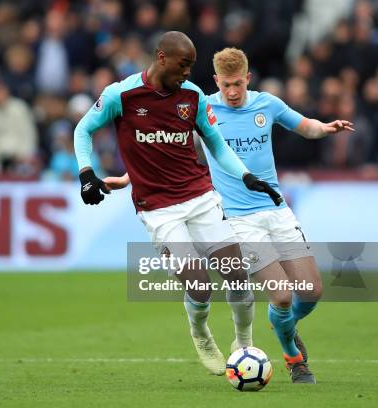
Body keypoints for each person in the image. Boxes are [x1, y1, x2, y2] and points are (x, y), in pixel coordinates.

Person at [105, 47, 354, 384]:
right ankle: (293, 357)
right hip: (237, 219)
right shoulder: (199, 107)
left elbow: (304, 126)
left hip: (277, 210)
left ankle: (285, 325)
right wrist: (125, 178)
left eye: (238, 84)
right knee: (280, 294)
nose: (233, 92)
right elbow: (165, 152)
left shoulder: (267, 103)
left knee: (310, 292)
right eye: (226, 85)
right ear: (216, 81)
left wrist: (326, 128)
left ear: (248, 78)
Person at [74, 32, 282, 376]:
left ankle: (243, 343)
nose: (187, 73)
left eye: (191, 66)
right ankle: (201, 334)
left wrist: (246, 176)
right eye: (183, 65)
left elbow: (215, 144)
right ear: (161, 58)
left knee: (237, 276)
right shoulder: (120, 95)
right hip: (157, 208)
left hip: (199, 197)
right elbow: (83, 130)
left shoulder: (193, 96)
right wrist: (85, 173)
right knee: (200, 286)